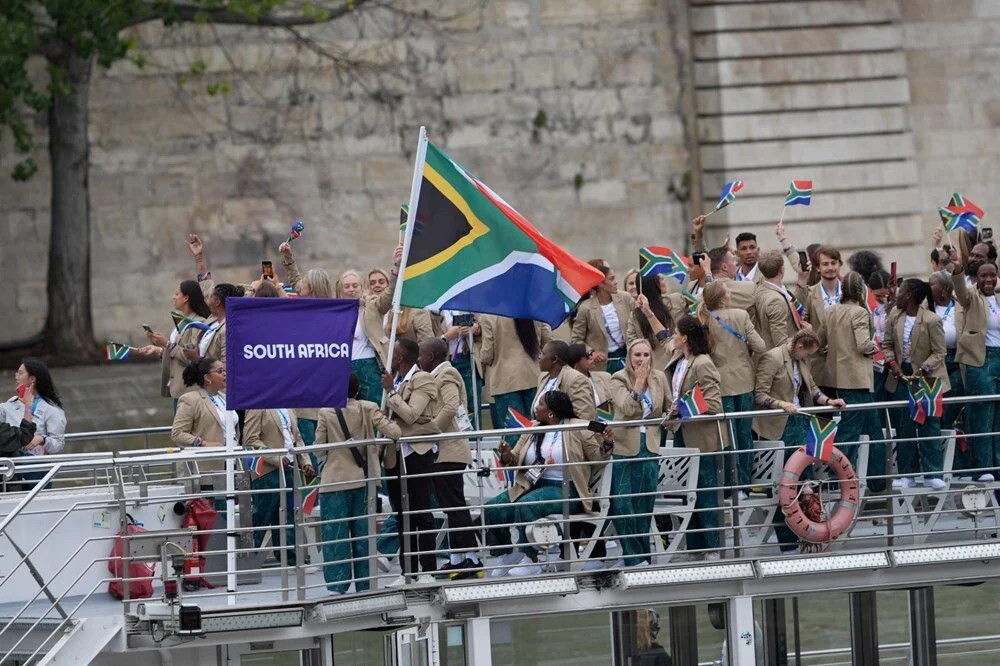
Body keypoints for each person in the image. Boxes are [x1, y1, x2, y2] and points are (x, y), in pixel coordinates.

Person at [484, 390, 611, 576]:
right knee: (493, 507)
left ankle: (531, 559)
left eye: (541, 404)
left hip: (567, 488)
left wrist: (607, 444)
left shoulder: (577, 427)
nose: (536, 407)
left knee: (526, 506)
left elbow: (598, 458)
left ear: (551, 412)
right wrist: (506, 454)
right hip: (531, 484)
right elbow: (514, 459)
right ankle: (508, 553)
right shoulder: (532, 428)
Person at [754, 329, 844, 551]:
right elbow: (759, 395)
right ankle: (787, 543)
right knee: (782, 487)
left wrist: (829, 401)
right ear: (799, 347)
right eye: (807, 354)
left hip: (800, 425)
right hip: (777, 429)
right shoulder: (773, 358)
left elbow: (812, 389)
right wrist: (781, 404)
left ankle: (806, 537)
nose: (808, 359)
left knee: (804, 483)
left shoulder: (802, 360)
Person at [315, 373, 401, 594]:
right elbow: (394, 432)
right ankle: (366, 584)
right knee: (364, 535)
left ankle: (337, 585)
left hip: (334, 481)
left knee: (335, 536)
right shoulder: (369, 407)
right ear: (358, 388)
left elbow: (319, 450)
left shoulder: (326, 412)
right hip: (364, 480)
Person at [417, 338, 481, 580]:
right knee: (450, 506)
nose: (419, 359)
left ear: (432, 356)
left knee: (455, 505)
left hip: (451, 450)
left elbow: (451, 406)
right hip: (442, 451)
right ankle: (457, 558)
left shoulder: (447, 374)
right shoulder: (436, 374)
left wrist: (431, 431)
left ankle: (473, 558)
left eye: (421, 354)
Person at [697, 282, 767, 497]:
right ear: (723, 298)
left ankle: (730, 485)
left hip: (719, 384)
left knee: (727, 436)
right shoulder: (741, 315)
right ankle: (743, 485)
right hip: (744, 381)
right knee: (744, 433)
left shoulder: (702, 318)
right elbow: (761, 346)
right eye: (728, 291)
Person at [380, 338, 440, 581]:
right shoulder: (395, 381)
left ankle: (428, 570)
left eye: (392, 353)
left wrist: (391, 393)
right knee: (401, 514)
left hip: (417, 453)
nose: (389, 356)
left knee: (421, 513)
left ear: (400, 358)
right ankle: (408, 571)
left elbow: (411, 415)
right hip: (396, 456)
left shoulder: (423, 379)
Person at [665, 315, 724, 558]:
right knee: (689, 494)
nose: (672, 337)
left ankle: (712, 549)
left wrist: (682, 409)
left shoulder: (702, 363)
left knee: (707, 495)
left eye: (675, 333)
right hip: (683, 434)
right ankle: (695, 548)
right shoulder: (679, 360)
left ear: (685, 338)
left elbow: (715, 404)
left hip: (703, 440)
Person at [608, 339, 671, 567]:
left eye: (646, 355)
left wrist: (674, 412)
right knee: (623, 505)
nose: (642, 360)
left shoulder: (659, 377)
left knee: (644, 506)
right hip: (625, 448)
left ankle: (643, 558)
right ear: (629, 357)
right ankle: (633, 557)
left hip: (650, 446)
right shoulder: (618, 379)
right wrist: (639, 382)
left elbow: (666, 406)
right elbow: (627, 408)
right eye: (637, 355)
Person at [882, 278, 948, 490]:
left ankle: (932, 473)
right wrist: (893, 365)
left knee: (929, 424)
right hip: (902, 377)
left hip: (927, 378)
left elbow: (940, 352)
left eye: (900, 291)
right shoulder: (895, 315)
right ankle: (907, 474)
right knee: (905, 426)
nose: (897, 295)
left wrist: (923, 368)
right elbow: (887, 344)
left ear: (909, 296)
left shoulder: (931, 320)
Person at [816, 271, 881, 471]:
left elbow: (819, 342)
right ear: (861, 290)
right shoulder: (860, 312)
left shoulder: (831, 310)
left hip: (834, 378)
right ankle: (841, 478)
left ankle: (877, 481)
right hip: (856, 380)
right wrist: (875, 347)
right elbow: (863, 345)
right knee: (852, 432)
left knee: (872, 431)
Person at [949, 251, 999, 481]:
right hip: (980, 361)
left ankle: (997, 464)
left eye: (992, 275)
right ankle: (982, 468)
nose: (988, 280)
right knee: (981, 415)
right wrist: (958, 269)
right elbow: (959, 290)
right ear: (976, 278)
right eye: (983, 276)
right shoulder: (971, 298)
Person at [243, 408, 314, 565]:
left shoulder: (289, 408)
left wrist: (305, 461)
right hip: (267, 471)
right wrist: (276, 457)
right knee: (262, 514)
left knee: (289, 514)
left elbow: (297, 438)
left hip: (289, 468)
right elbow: (250, 440)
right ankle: (246, 557)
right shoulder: (257, 406)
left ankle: (290, 557)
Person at [138, 280, 212, 408]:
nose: (173, 297)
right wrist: (158, 349)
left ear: (186, 298)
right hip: (179, 391)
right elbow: (176, 352)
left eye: (177, 294)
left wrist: (166, 344)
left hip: (190, 393)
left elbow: (192, 358)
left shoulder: (198, 324)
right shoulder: (183, 321)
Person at [479, 315, 551, 441]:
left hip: (504, 380)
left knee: (513, 433)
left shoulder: (489, 315)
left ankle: (517, 460)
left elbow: (487, 353)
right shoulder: (533, 309)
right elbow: (547, 340)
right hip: (534, 376)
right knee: (539, 427)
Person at [171, 357, 237, 492]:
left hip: (230, 464)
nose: (225, 374)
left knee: (228, 507)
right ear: (207, 378)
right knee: (215, 510)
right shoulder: (191, 399)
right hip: (205, 470)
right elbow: (177, 434)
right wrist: (204, 443)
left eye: (225, 370)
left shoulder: (224, 397)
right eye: (220, 371)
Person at [2, 360, 67, 486]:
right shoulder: (13, 402)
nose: (16, 377)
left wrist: (42, 439)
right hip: (11, 467)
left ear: (32, 379)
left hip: (36, 469)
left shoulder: (52, 409)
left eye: (20, 373)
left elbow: (58, 444)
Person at [572, 261, 636, 373]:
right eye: (611, 279)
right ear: (600, 283)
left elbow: (639, 324)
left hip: (627, 360)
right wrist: (591, 352)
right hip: (601, 366)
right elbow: (576, 339)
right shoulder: (586, 308)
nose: (616, 282)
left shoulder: (625, 298)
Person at [797, 245, 844, 389]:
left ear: (839, 264)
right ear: (817, 268)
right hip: (820, 365)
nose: (830, 267)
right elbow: (798, 319)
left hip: (845, 364)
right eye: (825, 264)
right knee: (824, 410)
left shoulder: (850, 292)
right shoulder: (810, 293)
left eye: (833, 263)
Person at [928, 270, 965, 432]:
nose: (927, 287)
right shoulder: (926, 307)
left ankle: (948, 431)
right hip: (933, 362)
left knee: (952, 398)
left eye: (931, 284)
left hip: (956, 361)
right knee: (935, 406)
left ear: (943, 288)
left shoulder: (961, 307)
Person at [754, 249, 808, 350]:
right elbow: (782, 344)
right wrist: (806, 335)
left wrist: (802, 278)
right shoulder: (776, 301)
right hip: (783, 362)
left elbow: (793, 305)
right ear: (782, 270)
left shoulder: (763, 288)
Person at [535, 340, 598, 422]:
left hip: (566, 433)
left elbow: (586, 418)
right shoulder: (543, 377)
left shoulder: (575, 379)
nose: (539, 357)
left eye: (543, 353)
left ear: (554, 359)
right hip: (541, 431)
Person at [626, 275, 678, 370]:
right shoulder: (675, 302)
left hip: (650, 368)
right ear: (656, 285)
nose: (664, 281)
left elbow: (631, 343)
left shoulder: (635, 315)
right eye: (660, 279)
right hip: (675, 360)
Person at [568, 343, 613, 410]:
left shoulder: (606, 377)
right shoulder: (568, 384)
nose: (591, 357)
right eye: (587, 356)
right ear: (576, 361)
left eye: (591, 354)